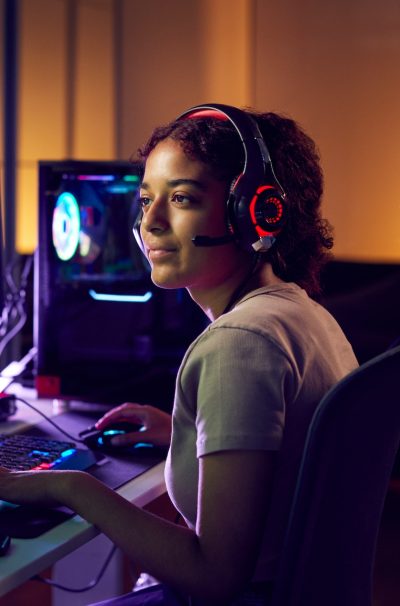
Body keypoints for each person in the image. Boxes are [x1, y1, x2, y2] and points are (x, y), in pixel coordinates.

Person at [0, 104, 358, 606]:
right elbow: (295, 451)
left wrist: (71, 487)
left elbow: (214, 577)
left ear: (253, 211)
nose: (150, 221)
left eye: (182, 198)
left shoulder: (238, 344)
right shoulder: (302, 314)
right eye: (146, 200)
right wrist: (187, 431)